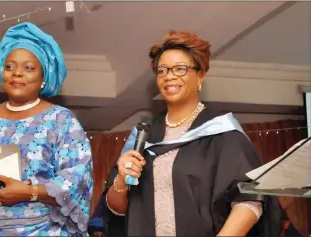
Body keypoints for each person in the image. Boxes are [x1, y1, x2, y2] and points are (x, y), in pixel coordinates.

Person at [102, 31, 281, 236]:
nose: (169, 76)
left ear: (200, 76)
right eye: (162, 70)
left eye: (180, 69)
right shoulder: (144, 136)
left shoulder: (223, 133)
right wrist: (121, 182)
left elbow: (251, 199)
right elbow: (117, 210)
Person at [0, 22, 94, 236]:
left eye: (28, 68)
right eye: (9, 66)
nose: (17, 73)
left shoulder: (60, 120)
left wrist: (29, 192)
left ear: (43, 78)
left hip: (43, 230)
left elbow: (77, 179)